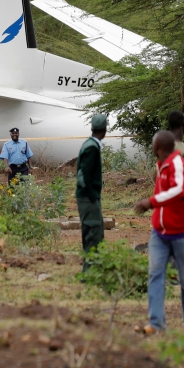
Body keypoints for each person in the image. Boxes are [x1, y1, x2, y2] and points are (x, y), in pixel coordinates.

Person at [135, 130, 184, 333]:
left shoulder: (178, 164)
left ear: (157, 147)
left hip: (181, 232)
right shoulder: (161, 165)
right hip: (159, 233)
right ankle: (156, 323)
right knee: (155, 274)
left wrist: (150, 202)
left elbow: (179, 190)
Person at [76, 114, 107, 269]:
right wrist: (92, 196)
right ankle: (89, 271)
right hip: (88, 198)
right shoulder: (92, 148)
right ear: (104, 130)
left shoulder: (88, 145)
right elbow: (83, 176)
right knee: (93, 231)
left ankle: (92, 267)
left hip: (86, 197)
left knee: (92, 230)